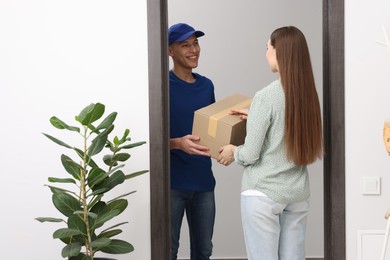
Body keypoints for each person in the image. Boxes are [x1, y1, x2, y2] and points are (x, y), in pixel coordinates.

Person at [218, 26, 323, 260]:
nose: (265, 53)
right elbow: (286, 124)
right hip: (296, 195)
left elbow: (251, 154)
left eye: (267, 48)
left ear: (279, 52)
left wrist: (233, 151)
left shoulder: (266, 96)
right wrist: (255, 114)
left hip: (263, 193)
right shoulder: (307, 95)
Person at [168, 22, 216, 260]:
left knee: (204, 251)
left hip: (203, 182)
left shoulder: (207, 86)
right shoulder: (161, 86)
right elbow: (151, 139)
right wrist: (177, 143)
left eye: (195, 43)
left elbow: (212, 130)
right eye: (185, 45)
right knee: (169, 251)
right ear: (170, 51)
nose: (193, 49)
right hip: (172, 184)